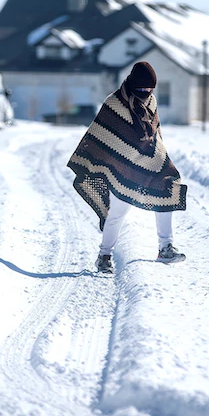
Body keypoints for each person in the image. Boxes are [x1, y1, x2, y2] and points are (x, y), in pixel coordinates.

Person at [67, 61, 187, 274]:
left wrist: (158, 156)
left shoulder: (151, 101)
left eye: (150, 89)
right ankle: (104, 256)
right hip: (121, 167)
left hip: (149, 162)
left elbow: (155, 133)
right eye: (142, 89)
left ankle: (165, 248)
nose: (146, 92)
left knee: (168, 190)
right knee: (117, 213)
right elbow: (101, 134)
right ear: (133, 84)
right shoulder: (114, 102)